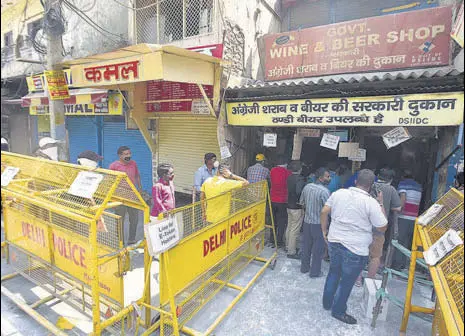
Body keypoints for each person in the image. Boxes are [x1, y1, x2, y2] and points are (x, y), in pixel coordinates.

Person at [321, 169, 387, 325]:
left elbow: (324, 211)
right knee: (346, 282)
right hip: (356, 249)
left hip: (335, 241)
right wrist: (381, 202)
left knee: (333, 273)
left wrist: (324, 231)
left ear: (356, 181)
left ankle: (326, 303)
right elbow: (383, 226)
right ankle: (338, 311)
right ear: (371, 187)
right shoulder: (371, 202)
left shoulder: (339, 193)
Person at [355, 168, 401, 286]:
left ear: (378, 176)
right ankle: (370, 281)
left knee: (360, 253)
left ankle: (358, 280)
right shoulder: (391, 189)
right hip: (379, 227)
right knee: (375, 256)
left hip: (364, 224)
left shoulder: (369, 185)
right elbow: (397, 208)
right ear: (390, 179)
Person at [299, 167, 331, 276]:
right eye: (327, 176)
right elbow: (328, 211)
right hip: (319, 225)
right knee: (318, 250)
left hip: (307, 222)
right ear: (321, 178)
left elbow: (302, 203)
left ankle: (304, 268)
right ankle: (315, 272)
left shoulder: (307, 187)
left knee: (306, 247)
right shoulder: (325, 192)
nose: (329, 178)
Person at [109, 146, 142, 245]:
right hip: (119, 197)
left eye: (129, 153)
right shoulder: (114, 166)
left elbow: (137, 176)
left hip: (132, 196)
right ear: (120, 155)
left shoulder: (133, 164)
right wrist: (111, 198)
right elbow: (110, 181)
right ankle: (120, 241)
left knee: (134, 219)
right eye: (126, 154)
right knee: (120, 219)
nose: (129, 156)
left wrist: (139, 189)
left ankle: (132, 239)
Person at [392, 170, 423, 271]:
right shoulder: (419, 186)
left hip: (404, 217)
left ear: (403, 177)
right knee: (407, 241)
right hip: (414, 218)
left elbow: (403, 198)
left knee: (399, 241)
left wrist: (399, 210)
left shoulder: (403, 184)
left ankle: (396, 265)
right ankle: (403, 264)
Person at [285, 161, 306, 259]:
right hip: (296, 206)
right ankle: (291, 252)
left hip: (289, 204)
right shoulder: (300, 179)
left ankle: (288, 246)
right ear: (300, 169)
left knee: (289, 227)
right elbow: (298, 191)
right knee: (294, 229)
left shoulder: (289, 177)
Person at [270, 159, 292, 247]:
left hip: (272, 199)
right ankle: (279, 241)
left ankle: (272, 239)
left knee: (273, 220)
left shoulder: (272, 170)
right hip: (283, 200)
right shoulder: (288, 173)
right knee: (282, 221)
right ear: (285, 164)